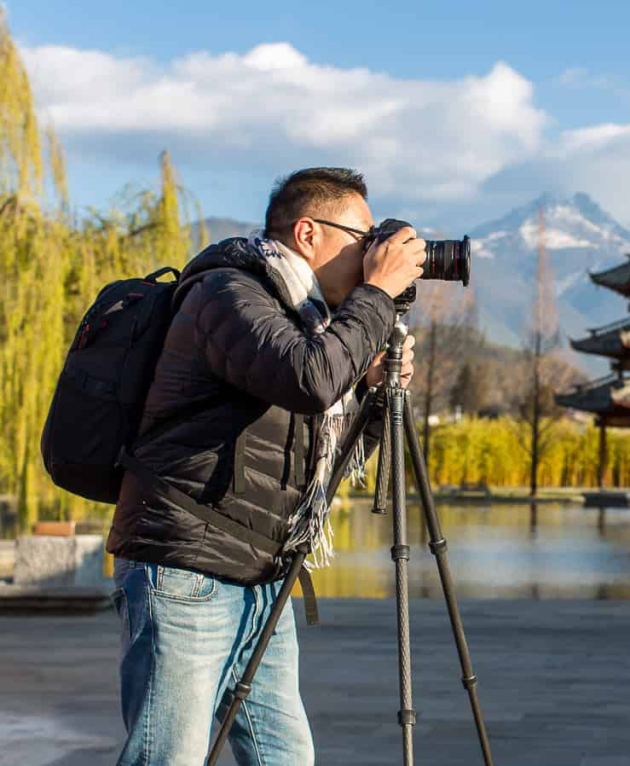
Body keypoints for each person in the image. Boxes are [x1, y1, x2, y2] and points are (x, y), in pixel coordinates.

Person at [106, 167, 424, 765]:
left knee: (285, 757)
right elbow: (309, 380)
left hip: (261, 570)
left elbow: (327, 450)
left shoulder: (310, 323)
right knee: (167, 756)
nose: (371, 255)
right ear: (308, 232)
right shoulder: (228, 294)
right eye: (363, 239)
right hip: (187, 568)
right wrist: (375, 296)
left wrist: (377, 393)